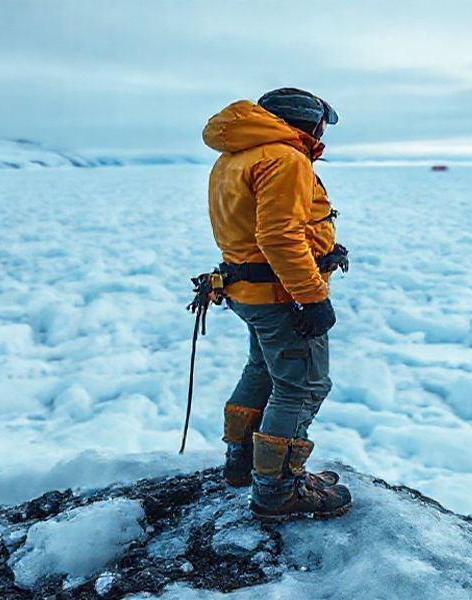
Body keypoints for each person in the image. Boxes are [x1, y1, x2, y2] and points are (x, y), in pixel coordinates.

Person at [202, 88, 352, 521]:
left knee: (263, 372)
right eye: (323, 123)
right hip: (281, 296)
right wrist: (312, 296)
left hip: (249, 292)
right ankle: (278, 489)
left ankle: (243, 463)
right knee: (302, 386)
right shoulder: (284, 158)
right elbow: (278, 237)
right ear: (308, 121)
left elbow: (253, 229)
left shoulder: (236, 156)